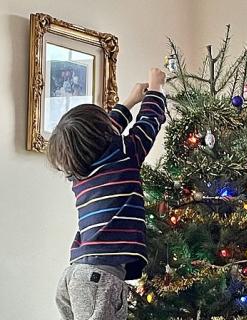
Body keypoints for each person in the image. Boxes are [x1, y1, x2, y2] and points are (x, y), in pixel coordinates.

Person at [48, 68, 167, 320]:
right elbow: (149, 122)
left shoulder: (79, 169)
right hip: (100, 278)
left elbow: (101, 131)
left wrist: (129, 101)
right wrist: (156, 89)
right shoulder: (124, 153)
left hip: (76, 275)